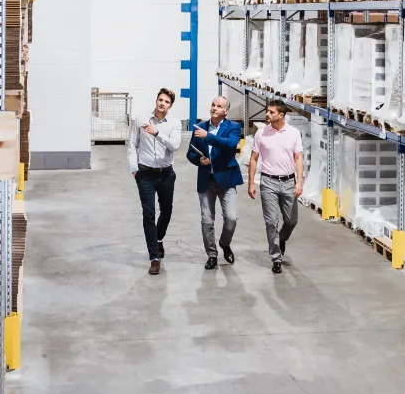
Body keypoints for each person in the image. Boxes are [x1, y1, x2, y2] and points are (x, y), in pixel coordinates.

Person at [128, 87, 182, 274]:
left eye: (166, 102)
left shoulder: (174, 123)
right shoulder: (141, 119)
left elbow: (175, 145)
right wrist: (134, 169)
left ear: (170, 105)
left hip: (166, 173)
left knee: (166, 210)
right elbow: (132, 145)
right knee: (148, 214)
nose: (162, 103)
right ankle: (154, 257)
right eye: (160, 100)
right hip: (145, 174)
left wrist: (157, 133)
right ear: (156, 100)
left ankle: (158, 239)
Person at [247, 100, 304, 274]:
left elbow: (298, 158)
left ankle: (282, 239)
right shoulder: (261, 134)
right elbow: (254, 158)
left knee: (291, 221)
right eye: (268, 112)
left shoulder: (293, 133)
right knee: (271, 221)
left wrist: (299, 181)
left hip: (288, 182)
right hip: (268, 182)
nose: (267, 115)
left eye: (271, 112)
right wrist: (251, 183)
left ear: (281, 115)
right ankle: (276, 257)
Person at [186, 95, 243, 270]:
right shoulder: (200, 127)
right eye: (213, 105)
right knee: (207, 221)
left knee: (231, 218)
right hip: (206, 180)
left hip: (226, 180)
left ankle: (225, 243)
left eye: (219, 106)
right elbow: (190, 153)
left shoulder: (233, 127)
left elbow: (231, 144)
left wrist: (208, 137)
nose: (214, 108)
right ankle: (212, 254)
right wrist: (198, 160)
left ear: (226, 111)